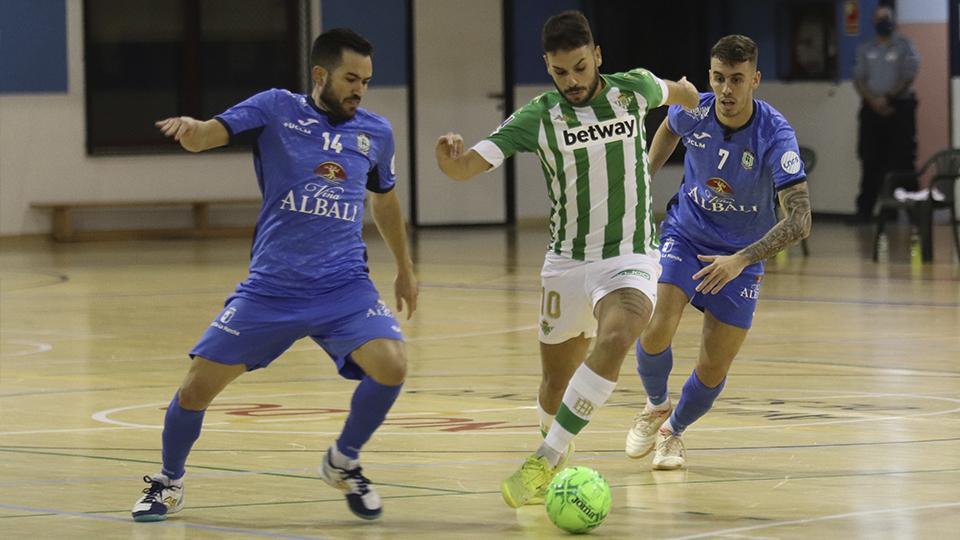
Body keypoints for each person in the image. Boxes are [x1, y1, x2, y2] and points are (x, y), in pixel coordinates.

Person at [131, 28, 418, 522]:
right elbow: (210, 134)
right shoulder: (276, 109)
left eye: (366, 81)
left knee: (392, 365)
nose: (359, 90)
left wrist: (405, 270)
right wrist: (193, 131)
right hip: (273, 289)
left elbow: (385, 200)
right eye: (351, 79)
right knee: (196, 389)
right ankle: (169, 481)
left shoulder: (377, 132)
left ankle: (343, 461)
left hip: (343, 286)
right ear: (321, 75)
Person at [434, 10, 699, 508]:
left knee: (621, 333)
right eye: (561, 72)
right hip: (567, 264)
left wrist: (691, 96)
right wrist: (450, 160)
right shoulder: (539, 117)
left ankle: (545, 457)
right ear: (547, 67)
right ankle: (560, 446)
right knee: (555, 382)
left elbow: (677, 93)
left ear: (597, 56)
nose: (572, 81)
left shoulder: (633, 89)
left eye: (580, 67)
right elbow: (469, 166)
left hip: (631, 254)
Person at [625, 35, 811, 470]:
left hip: (740, 256)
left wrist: (742, 260)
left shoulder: (775, 135)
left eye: (737, 80)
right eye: (718, 78)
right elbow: (668, 128)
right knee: (655, 327)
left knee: (713, 365)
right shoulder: (696, 109)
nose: (726, 89)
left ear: (755, 81)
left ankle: (673, 431)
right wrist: (645, 177)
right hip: (686, 233)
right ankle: (656, 406)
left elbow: (801, 221)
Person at [851, 4, 919, 224]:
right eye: (879, 18)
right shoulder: (865, 48)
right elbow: (859, 79)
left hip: (899, 109)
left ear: (893, 20)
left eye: (886, 18)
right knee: (870, 160)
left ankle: (913, 213)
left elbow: (908, 76)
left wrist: (887, 99)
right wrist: (874, 101)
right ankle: (865, 212)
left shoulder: (904, 45)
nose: (883, 22)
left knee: (902, 160)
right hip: (871, 112)